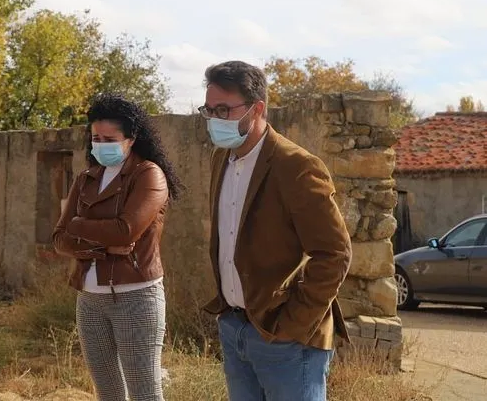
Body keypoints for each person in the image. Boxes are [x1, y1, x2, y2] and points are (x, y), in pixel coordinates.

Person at [199, 61, 352, 401]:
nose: (213, 119)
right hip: (235, 327)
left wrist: (293, 327)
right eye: (208, 110)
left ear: (257, 109)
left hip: (284, 341)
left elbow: (334, 253)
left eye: (223, 109)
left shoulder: (295, 166)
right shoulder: (220, 159)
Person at [53, 93, 183, 401]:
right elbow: (59, 238)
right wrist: (103, 247)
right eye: (95, 137)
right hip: (89, 297)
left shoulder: (149, 174)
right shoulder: (86, 177)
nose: (100, 144)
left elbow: (125, 232)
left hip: (135, 297)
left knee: (144, 393)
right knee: (108, 393)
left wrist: (78, 227)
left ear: (131, 139)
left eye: (109, 138)